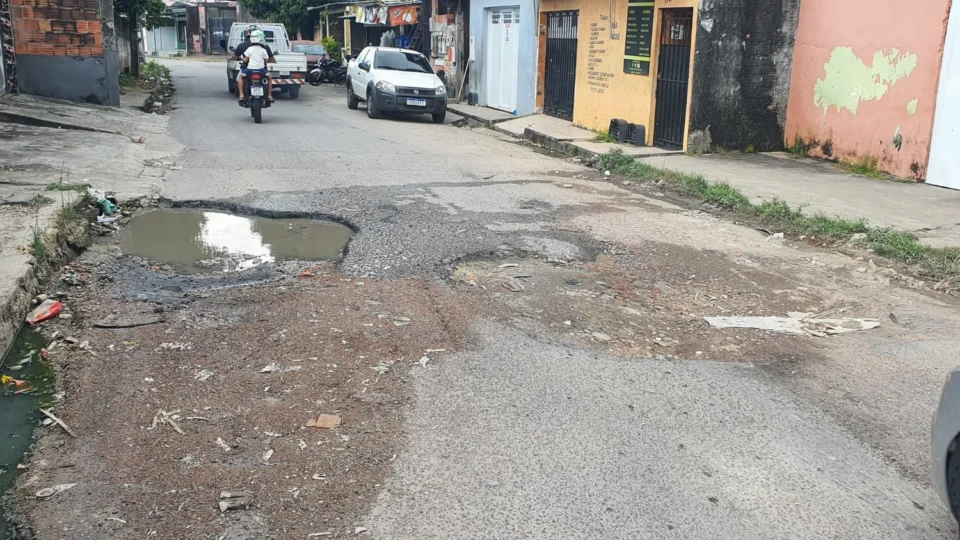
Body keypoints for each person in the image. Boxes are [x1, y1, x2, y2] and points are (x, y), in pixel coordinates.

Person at [236, 30, 276, 104]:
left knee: (241, 77)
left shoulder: (249, 49)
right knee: (269, 77)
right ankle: (269, 95)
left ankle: (241, 95)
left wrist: (241, 57)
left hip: (249, 70)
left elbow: (245, 60)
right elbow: (266, 61)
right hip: (261, 70)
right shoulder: (264, 49)